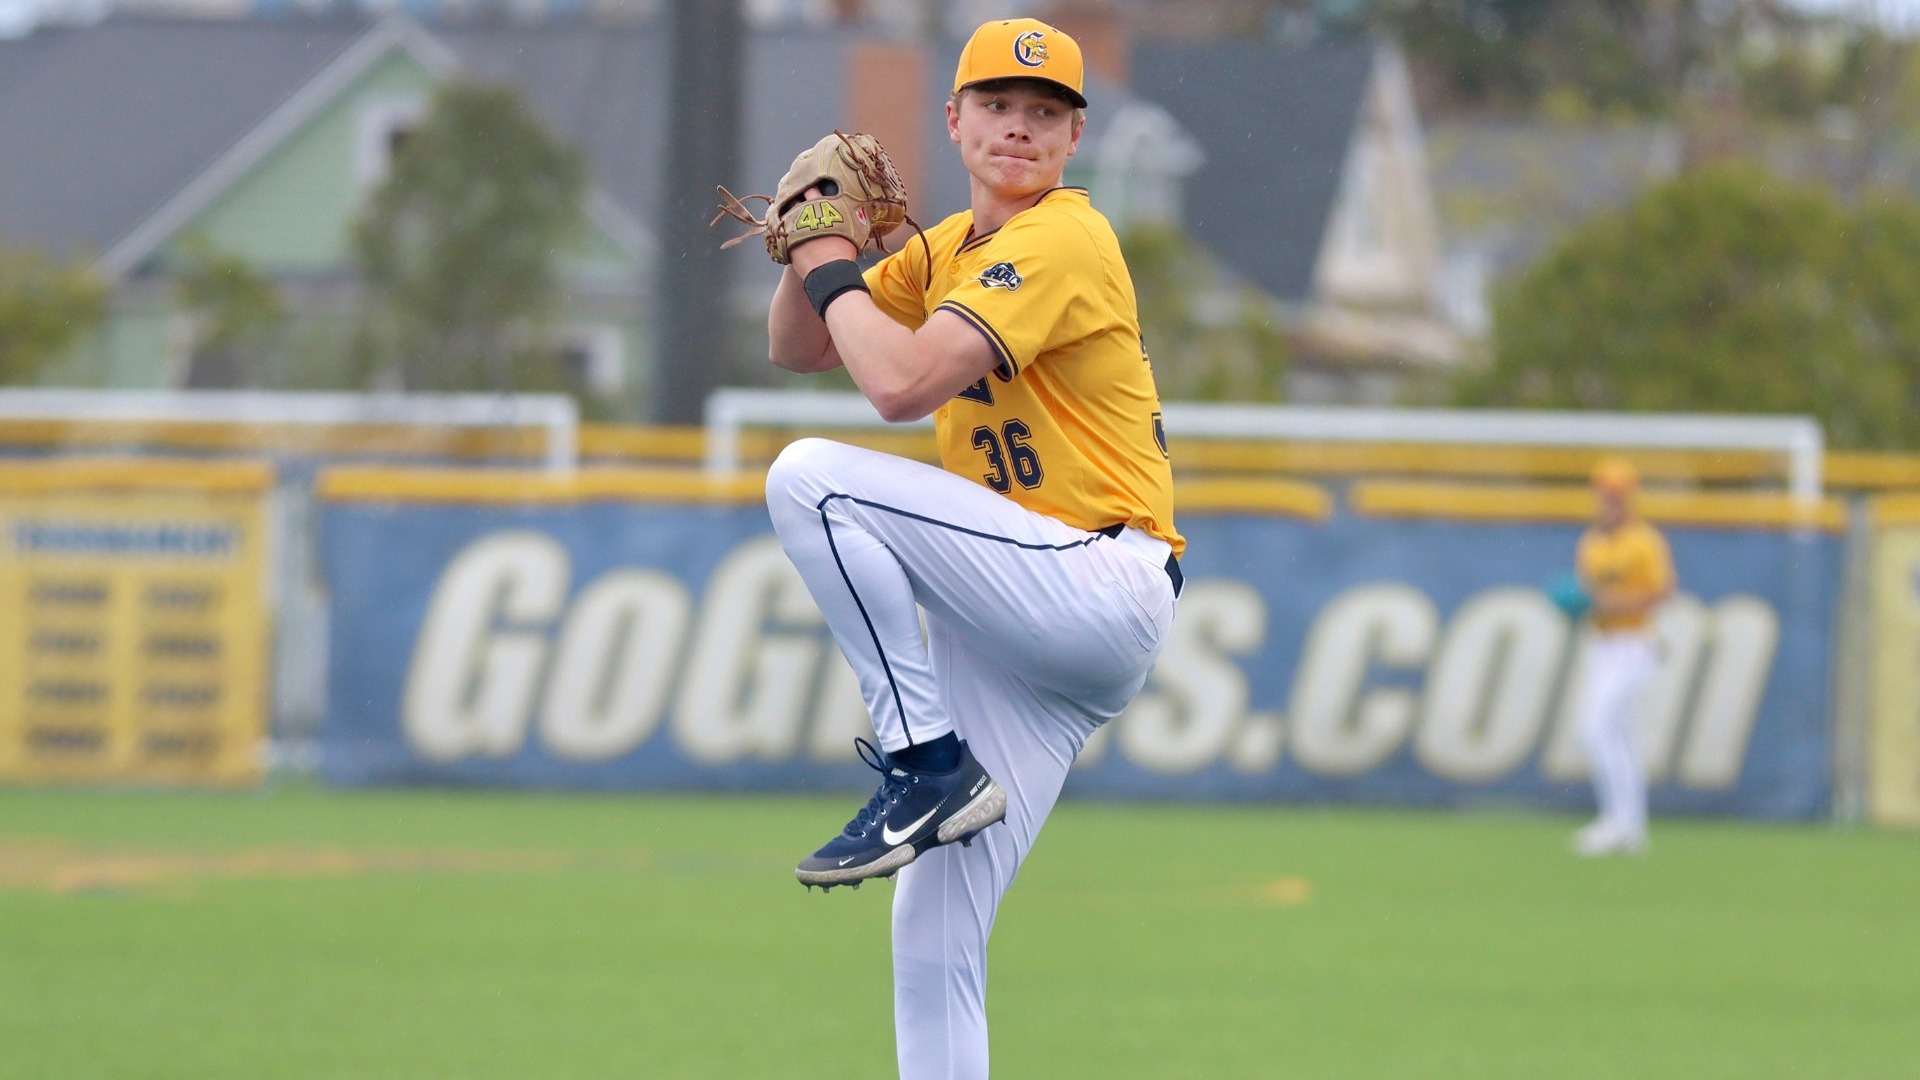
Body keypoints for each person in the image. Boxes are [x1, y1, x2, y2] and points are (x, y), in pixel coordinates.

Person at [758, 17, 1183, 1079]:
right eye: (998, 105)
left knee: (811, 479)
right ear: (954, 120)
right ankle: (934, 767)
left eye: (1046, 114)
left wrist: (827, 258)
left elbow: (898, 387)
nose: (1020, 129)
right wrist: (816, 251)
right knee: (933, 933)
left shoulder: (1064, 238)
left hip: (1091, 575)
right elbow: (801, 343)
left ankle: (922, 757)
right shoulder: (951, 248)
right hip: (1028, 632)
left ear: (1076, 137)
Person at [1571, 458, 1674, 856]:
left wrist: (1615, 603)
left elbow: (1663, 591)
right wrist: (1578, 605)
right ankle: (1628, 824)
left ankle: (1620, 822)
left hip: (1635, 644)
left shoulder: (1644, 541)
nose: (1609, 501)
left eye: (1617, 494)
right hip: (1604, 644)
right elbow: (1588, 594)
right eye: (1604, 494)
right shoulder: (1591, 543)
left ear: (1629, 498)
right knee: (1617, 733)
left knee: (1596, 727)